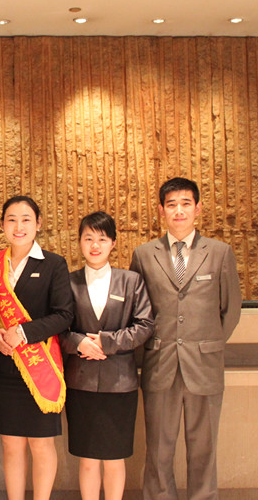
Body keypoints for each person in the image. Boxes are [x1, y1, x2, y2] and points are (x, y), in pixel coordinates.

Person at [130, 177, 242, 500]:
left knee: (204, 448)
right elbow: (138, 311)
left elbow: (231, 309)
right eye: (171, 205)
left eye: (185, 204)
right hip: (159, 363)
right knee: (158, 449)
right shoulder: (144, 254)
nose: (179, 211)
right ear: (161, 210)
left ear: (198, 208)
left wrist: (208, 343)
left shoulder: (219, 253)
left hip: (204, 365)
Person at [61, 212, 154, 500]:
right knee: (88, 459)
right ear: (79, 242)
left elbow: (145, 325)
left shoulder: (131, 281)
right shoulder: (68, 282)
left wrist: (107, 342)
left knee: (115, 458)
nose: (95, 245)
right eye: (88, 238)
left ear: (113, 243)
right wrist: (79, 342)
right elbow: (57, 328)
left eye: (102, 239)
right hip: (81, 383)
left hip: (120, 384)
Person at [0, 195, 74, 500]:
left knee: (41, 443)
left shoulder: (53, 264)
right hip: (5, 367)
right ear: (2, 225)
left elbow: (64, 315)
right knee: (11, 443)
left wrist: (23, 332)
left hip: (42, 367)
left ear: (38, 224)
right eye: (11, 219)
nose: (19, 226)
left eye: (26, 219)